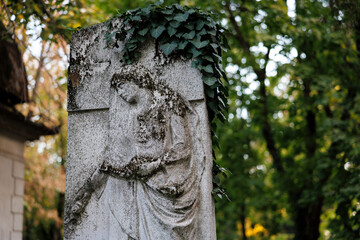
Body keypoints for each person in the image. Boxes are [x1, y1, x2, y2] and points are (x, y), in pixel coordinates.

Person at [65, 69, 204, 239]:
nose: (120, 93)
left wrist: (156, 164)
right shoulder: (132, 115)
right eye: (117, 89)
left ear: (138, 81)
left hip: (167, 181)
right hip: (141, 187)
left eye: (122, 86)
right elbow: (119, 156)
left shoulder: (169, 101)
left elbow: (182, 145)